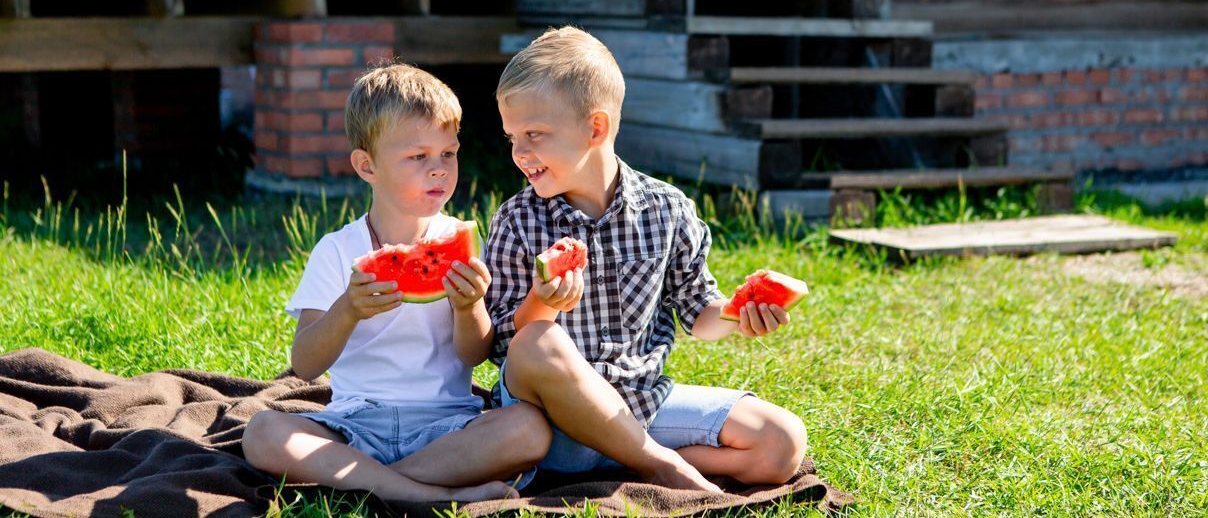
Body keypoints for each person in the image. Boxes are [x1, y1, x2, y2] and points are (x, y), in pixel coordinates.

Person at [484, 27, 807, 492]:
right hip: (549, 425)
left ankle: (625, 464)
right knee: (538, 342)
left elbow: (701, 315)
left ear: (595, 127)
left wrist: (740, 314)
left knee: (782, 443)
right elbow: (507, 349)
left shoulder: (667, 208)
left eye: (534, 134)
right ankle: (662, 468)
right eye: (512, 136)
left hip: (639, 405)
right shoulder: (517, 219)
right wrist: (543, 303)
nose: (519, 152)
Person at [241, 64, 550, 503]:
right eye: (418, 157)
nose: (439, 169)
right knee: (263, 431)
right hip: (355, 424)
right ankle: (432, 494)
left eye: (448, 153)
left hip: (448, 428)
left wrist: (469, 307)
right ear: (367, 166)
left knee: (530, 429)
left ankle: (377, 484)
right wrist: (347, 309)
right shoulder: (336, 250)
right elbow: (306, 364)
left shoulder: (464, 245)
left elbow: (475, 355)